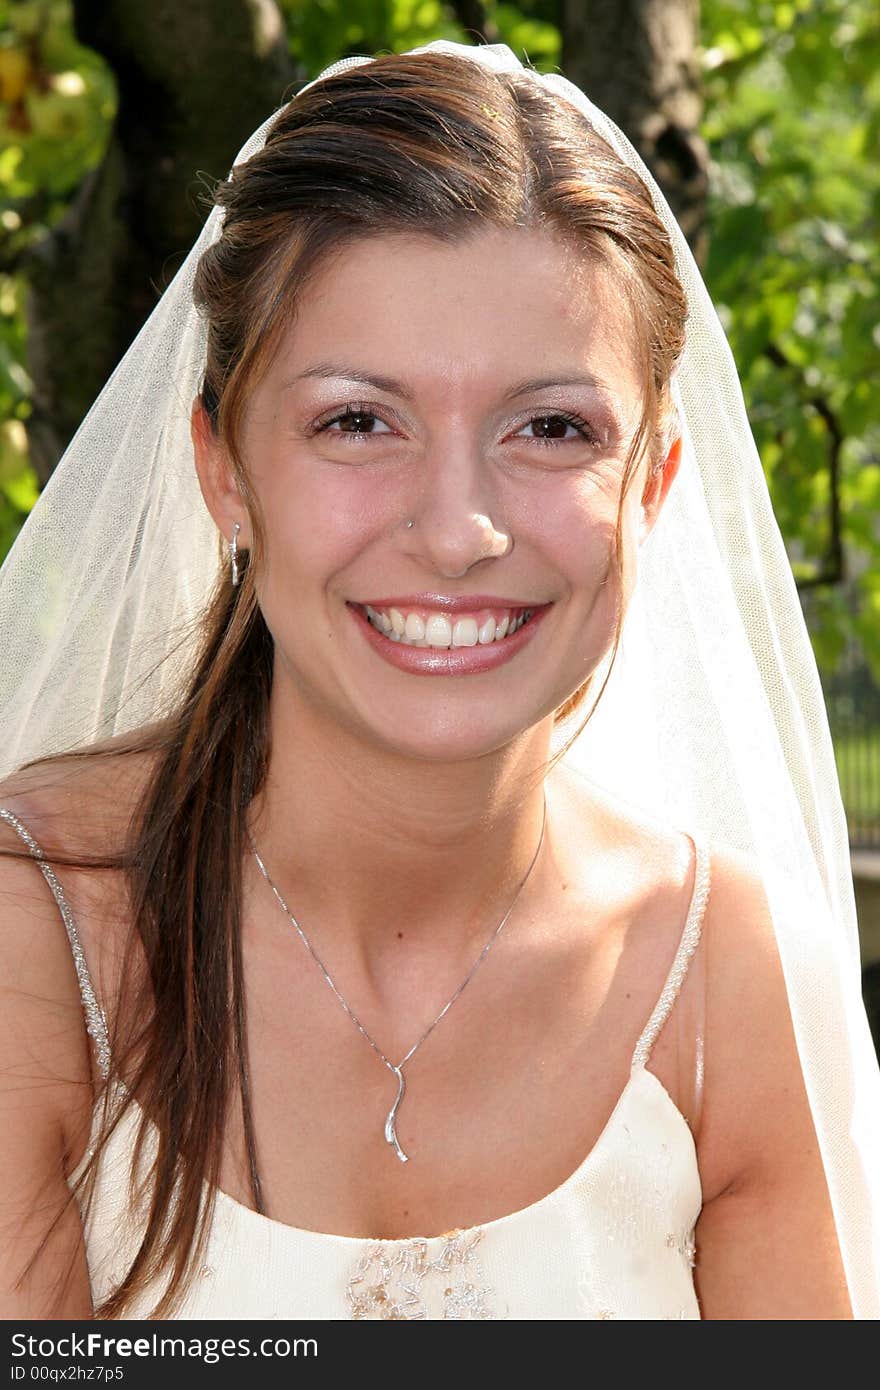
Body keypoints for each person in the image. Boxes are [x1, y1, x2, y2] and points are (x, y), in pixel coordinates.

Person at [0, 39, 877, 1322]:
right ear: (223, 470)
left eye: (552, 427)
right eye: (358, 419)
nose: (458, 527)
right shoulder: (38, 933)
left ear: (651, 490)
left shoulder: (732, 981)